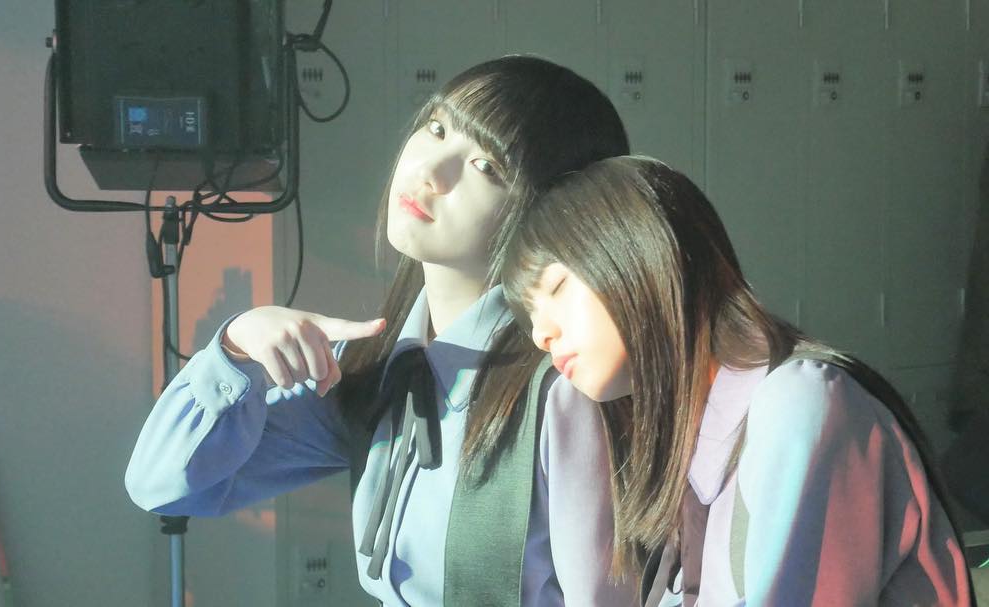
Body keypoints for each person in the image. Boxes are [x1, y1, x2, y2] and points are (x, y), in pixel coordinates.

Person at [125, 56, 636, 606]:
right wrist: (235, 347)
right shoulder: (376, 366)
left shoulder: (563, 388)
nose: (431, 171)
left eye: (486, 166)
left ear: (550, 211)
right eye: (437, 128)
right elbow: (164, 485)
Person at [502, 155, 975, 605]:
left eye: (557, 287)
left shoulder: (797, 403)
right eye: (531, 315)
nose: (543, 334)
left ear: (641, 253)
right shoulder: (693, 441)